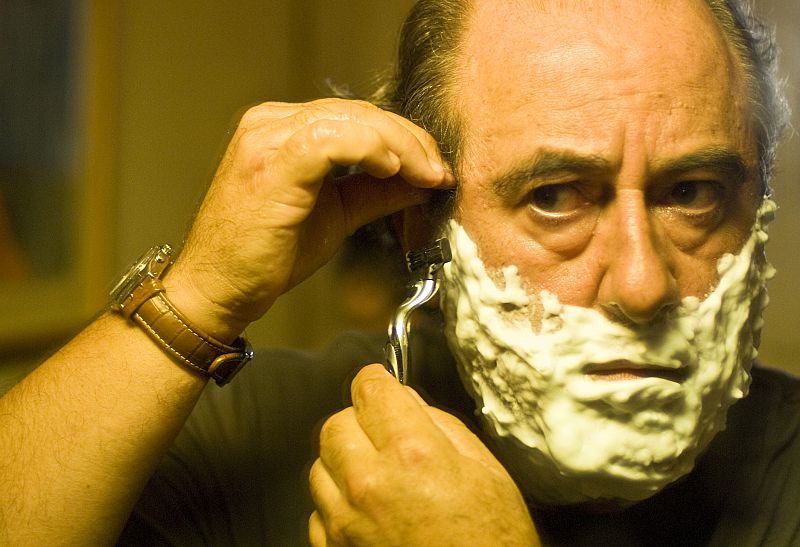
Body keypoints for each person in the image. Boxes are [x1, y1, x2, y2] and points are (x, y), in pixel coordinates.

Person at [0, 1, 797, 546]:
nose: (643, 285)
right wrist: (197, 296)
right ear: (423, 219)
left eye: (692, 193)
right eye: (555, 196)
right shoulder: (271, 438)